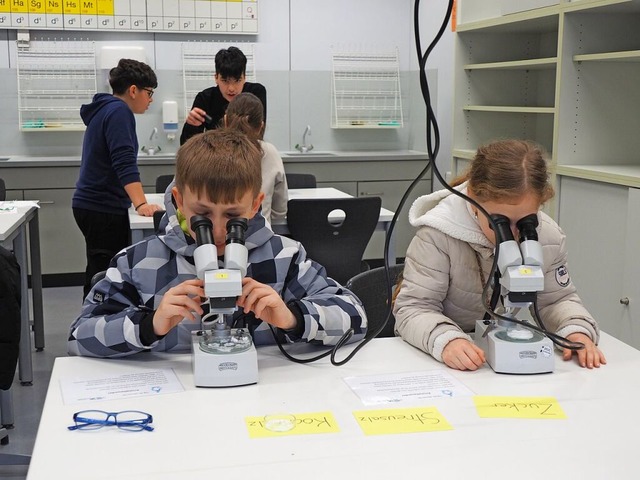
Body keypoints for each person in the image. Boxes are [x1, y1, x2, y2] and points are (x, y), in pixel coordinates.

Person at [68, 129, 366, 358]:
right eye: (203, 215)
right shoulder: (138, 263)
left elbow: (356, 317)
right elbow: (79, 336)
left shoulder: (285, 258)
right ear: (179, 202)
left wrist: (293, 318)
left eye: (234, 216)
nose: (220, 230)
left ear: (254, 205)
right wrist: (150, 325)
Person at [393, 139, 606, 372]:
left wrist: (575, 330)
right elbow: (413, 308)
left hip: (494, 358)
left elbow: (557, 300)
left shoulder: (547, 236)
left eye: (526, 222)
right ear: (473, 199)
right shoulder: (438, 235)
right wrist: (447, 340)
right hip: (448, 356)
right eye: (500, 222)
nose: (513, 234)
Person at [72, 58, 163, 299]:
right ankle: (91, 325)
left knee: (100, 269)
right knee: (103, 275)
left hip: (92, 206)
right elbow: (123, 162)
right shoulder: (119, 111)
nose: (151, 99)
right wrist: (141, 204)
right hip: (101, 208)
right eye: (149, 92)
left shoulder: (105, 109)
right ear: (133, 90)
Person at [180, 46, 267, 145]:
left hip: (248, 154)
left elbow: (258, 135)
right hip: (215, 156)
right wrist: (191, 126)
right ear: (216, 78)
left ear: (244, 78)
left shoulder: (255, 94)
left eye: (237, 80)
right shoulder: (205, 98)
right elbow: (186, 147)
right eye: (225, 81)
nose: (231, 88)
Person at [224, 92, 288, 225]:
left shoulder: (209, 150)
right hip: (260, 237)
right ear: (260, 126)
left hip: (217, 238)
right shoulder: (269, 152)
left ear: (225, 121)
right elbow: (279, 211)